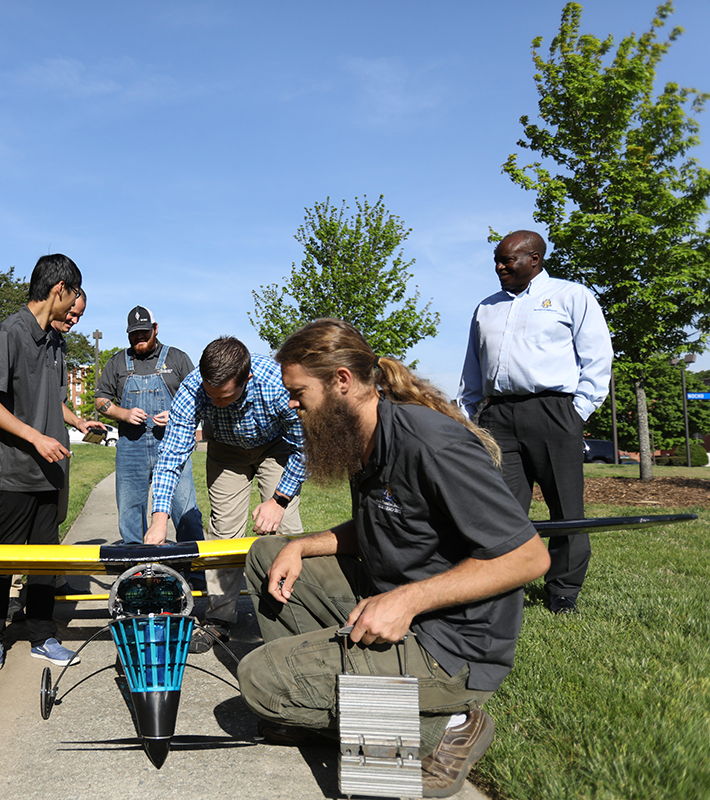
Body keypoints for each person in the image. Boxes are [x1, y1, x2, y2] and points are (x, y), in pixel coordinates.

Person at [239, 318, 551, 798]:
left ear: (341, 381)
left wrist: (405, 601)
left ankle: (449, 725)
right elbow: (379, 527)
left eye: (299, 391)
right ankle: (354, 704)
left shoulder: (430, 442)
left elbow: (528, 558)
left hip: (454, 647)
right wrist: (299, 545)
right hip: (398, 601)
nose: (291, 403)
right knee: (269, 554)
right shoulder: (359, 435)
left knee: (260, 680)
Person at [458, 230, 612, 615]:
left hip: (554, 412)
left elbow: (597, 357)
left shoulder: (572, 296)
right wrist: (468, 419)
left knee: (565, 508)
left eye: (507, 260)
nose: (499, 267)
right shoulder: (485, 308)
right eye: (497, 259)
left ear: (535, 260)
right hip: (498, 416)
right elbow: (472, 371)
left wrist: (577, 412)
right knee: (500, 507)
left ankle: (563, 591)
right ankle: (500, 586)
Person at [0, 254, 98, 671]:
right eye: (73, 301)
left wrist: (78, 420)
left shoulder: (57, 342)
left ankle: (42, 633)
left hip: (51, 471)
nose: (74, 315)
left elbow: (53, 399)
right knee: (3, 555)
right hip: (15, 470)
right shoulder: (10, 334)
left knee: (46, 556)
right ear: (59, 289)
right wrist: (34, 437)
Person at [143, 336, 306, 653]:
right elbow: (172, 455)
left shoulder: (277, 384)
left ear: (247, 379)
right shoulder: (193, 388)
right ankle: (219, 618)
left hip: (277, 447)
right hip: (226, 451)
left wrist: (278, 500)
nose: (215, 402)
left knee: (286, 530)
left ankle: (292, 614)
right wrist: (159, 519)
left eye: (225, 396)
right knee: (223, 533)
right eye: (211, 395)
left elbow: (305, 448)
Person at [93, 306, 203, 545]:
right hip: (131, 448)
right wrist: (123, 413)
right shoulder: (117, 363)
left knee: (186, 511)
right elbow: (101, 399)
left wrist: (176, 415)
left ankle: (193, 572)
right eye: (134, 333)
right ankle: (136, 571)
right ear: (128, 333)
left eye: (144, 332)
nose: (139, 337)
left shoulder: (177, 358)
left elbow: (200, 398)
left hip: (173, 445)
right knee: (130, 512)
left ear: (155, 329)